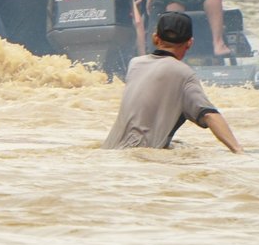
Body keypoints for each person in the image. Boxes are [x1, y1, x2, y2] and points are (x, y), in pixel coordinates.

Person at [101, 12, 243, 152]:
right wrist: (238, 150)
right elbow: (209, 115)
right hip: (141, 159)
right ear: (189, 43)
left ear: (155, 39)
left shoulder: (135, 64)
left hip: (110, 154)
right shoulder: (184, 74)